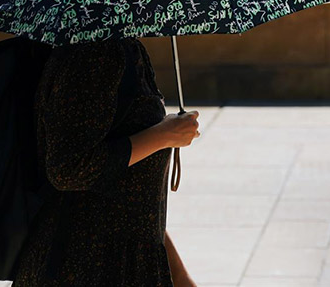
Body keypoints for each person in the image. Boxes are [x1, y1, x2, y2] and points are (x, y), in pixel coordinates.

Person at [12, 36, 201, 287]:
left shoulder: (123, 46)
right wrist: (163, 135)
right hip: (88, 264)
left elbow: (131, 201)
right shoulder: (95, 53)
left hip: (119, 259)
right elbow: (68, 168)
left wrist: (180, 278)